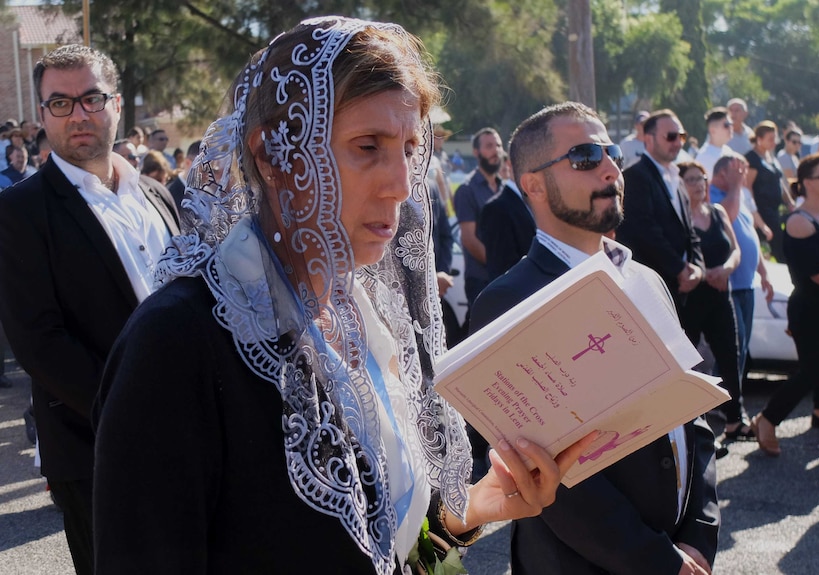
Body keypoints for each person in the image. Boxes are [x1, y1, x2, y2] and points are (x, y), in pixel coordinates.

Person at [92, 18, 596, 575]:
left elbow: (384, 530)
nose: (402, 183)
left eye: (409, 147)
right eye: (366, 147)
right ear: (272, 156)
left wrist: (475, 506)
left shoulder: (368, 311)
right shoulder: (177, 342)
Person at [470, 101, 719, 575]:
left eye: (612, 154)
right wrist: (663, 563)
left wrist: (701, 536)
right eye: (585, 157)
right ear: (534, 185)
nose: (609, 168)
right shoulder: (508, 302)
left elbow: (694, 417)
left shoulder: (648, 280)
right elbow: (555, 484)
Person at [0, 44, 181, 575]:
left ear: (116, 105)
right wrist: (134, 414)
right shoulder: (18, 213)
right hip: (98, 446)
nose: (77, 114)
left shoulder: (158, 195)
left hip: (192, 434)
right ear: (42, 116)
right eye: (60, 103)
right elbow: (39, 341)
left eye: (90, 99)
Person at [752, 153, 819, 458]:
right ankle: (767, 419)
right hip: (812, 310)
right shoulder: (798, 221)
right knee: (813, 372)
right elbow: (816, 271)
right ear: (807, 183)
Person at [678, 161, 748, 441]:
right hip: (692, 299)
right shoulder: (680, 218)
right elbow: (677, 259)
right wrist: (708, 274)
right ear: (680, 185)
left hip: (721, 296)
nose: (698, 184)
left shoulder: (718, 212)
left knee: (731, 357)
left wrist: (727, 269)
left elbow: (735, 250)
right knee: (688, 361)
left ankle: (735, 421)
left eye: (702, 178)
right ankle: (689, 423)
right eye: (692, 179)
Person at [615, 109, 705, 318]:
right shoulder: (635, 176)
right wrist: (678, 269)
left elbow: (689, 231)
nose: (678, 142)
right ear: (649, 139)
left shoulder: (677, 178)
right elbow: (644, 231)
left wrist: (698, 269)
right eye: (671, 136)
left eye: (681, 136)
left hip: (684, 289)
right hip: (652, 289)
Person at [709, 153, 774, 401]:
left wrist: (764, 272)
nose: (744, 176)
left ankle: (729, 402)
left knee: (742, 348)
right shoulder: (715, 196)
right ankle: (722, 405)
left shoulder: (739, 195)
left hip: (746, 285)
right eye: (739, 171)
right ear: (723, 173)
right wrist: (736, 186)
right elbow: (728, 217)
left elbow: (749, 235)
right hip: (730, 287)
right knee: (730, 349)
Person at [453, 127, 504, 307]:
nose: (496, 150)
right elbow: (469, 239)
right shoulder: (467, 190)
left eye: (498, 145)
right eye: (489, 146)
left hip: (506, 277)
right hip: (482, 280)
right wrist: (498, 266)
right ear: (476, 152)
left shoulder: (504, 188)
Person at [745, 121, 795, 263]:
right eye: (770, 139)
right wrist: (754, 214)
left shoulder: (770, 157)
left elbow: (779, 181)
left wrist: (790, 203)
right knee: (777, 245)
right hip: (762, 210)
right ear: (759, 139)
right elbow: (748, 187)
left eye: (775, 138)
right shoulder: (752, 159)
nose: (774, 142)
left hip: (775, 210)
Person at [695, 107, 734, 179]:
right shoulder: (704, 157)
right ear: (712, 130)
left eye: (731, 124)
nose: (731, 128)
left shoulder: (727, 150)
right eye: (726, 125)